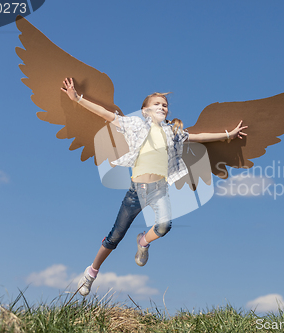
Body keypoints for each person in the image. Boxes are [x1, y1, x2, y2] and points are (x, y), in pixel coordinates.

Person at [61, 78, 247, 296]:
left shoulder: (173, 133)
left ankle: (143, 241)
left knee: (164, 227)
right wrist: (77, 98)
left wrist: (227, 135)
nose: (162, 107)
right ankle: (90, 273)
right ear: (145, 110)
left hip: (159, 190)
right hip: (136, 192)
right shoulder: (135, 125)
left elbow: (198, 137)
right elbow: (105, 113)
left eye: (165, 105)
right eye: (157, 104)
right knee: (115, 236)